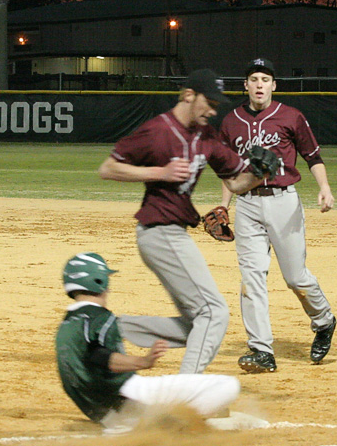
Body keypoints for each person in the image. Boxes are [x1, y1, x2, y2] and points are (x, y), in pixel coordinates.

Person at [98, 69, 268, 374]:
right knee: (214, 313)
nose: (213, 111)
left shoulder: (206, 136)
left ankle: (113, 327)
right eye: (209, 103)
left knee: (198, 326)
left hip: (173, 234)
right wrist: (158, 173)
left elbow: (236, 185)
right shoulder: (157, 131)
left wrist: (260, 173)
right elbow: (109, 168)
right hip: (159, 231)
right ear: (189, 95)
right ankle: (185, 392)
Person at [218, 57, 337, 373]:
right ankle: (261, 350)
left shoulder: (291, 117)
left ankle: (323, 320)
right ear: (245, 85)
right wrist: (224, 206)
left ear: (273, 85)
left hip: (283, 202)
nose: (259, 84)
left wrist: (324, 187)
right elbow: (229, 173)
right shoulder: (231, 122)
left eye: (265, 79)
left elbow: (313, 156)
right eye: (254, 78)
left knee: (295, 277)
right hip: (246, 204)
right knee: (251, 277)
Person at [55, 252, 240, 433]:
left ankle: (145, 427)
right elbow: (97, 354)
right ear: (98, 281)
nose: (108, 289)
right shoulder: (98, 317)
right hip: (131, 397)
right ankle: (173, 425)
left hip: (107, 416)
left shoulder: (65, 326)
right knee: (228, 385)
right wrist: (143, 362)